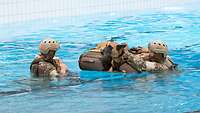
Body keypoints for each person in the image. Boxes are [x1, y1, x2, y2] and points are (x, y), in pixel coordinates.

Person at [110, 40, 177, 73]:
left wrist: (126, 52)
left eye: (151, 51)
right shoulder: (166, 58)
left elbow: (140, 64)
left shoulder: (159, 67)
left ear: (154, 54)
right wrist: (141, 50)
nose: (149, 53)